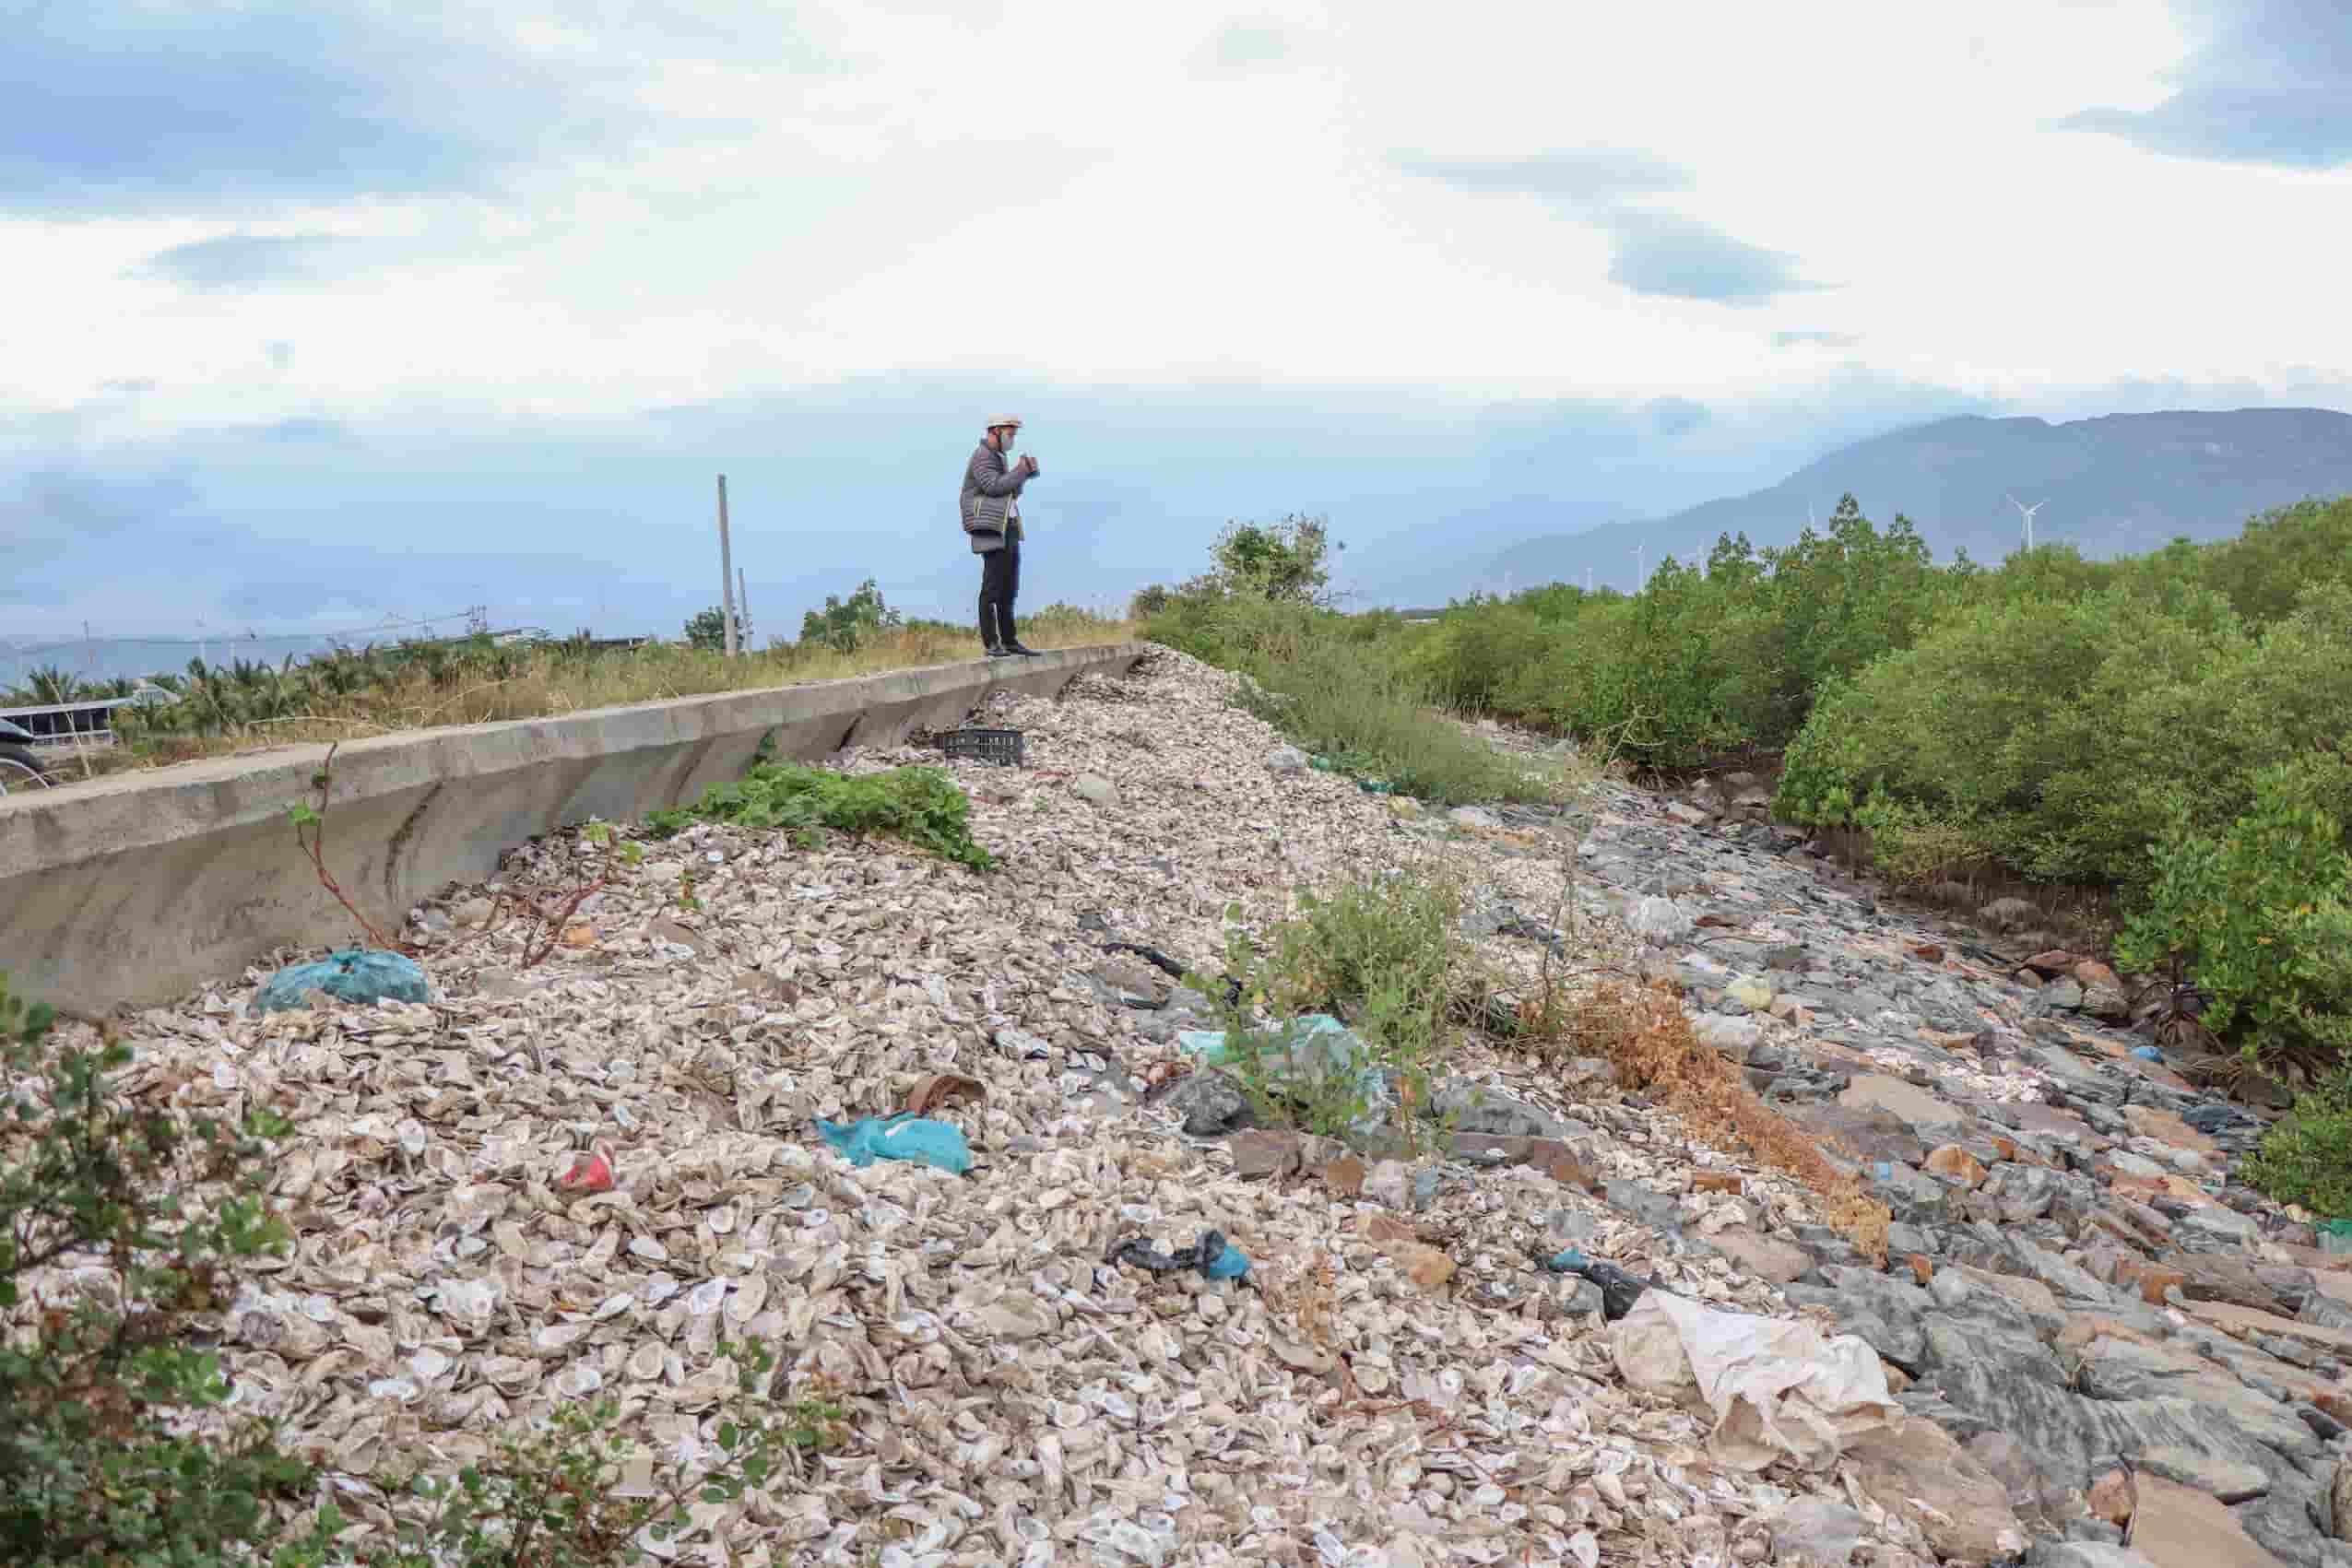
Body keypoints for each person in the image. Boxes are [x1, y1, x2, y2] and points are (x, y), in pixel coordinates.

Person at [961, 415, 1042, 656]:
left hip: (1007, 525)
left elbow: (1009, 492)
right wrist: (1019, 470)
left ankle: (1009, 640)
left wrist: (1025, 474)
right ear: (995, 431)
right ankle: (992, 643)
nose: (1012, 438)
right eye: (1010, 433)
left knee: (1009, 587)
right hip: (991, 527)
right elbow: (993, 487)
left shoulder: (998, 457)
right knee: (992, 587)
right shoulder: (982, 456)